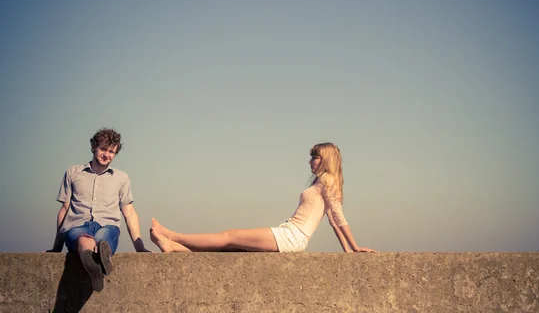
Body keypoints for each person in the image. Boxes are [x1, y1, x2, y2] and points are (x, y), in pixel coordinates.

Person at [150, 142, 377, 253]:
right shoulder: (321, 182)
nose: (310, 161)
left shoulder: (328, 181)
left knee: (229, 235)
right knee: (229, 247)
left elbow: (338, 216)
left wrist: (354, 247)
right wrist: (347, 250)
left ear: (325, 159)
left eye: (314, 157)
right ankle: (173, 246)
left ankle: (173, 235)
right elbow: (330, 218)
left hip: (292, 237)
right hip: (289, 233)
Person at [47, 128, 149, 291]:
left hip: (107, 226)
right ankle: (95, 266)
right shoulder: (73, 172)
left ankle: (98, 256)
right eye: (103, 149)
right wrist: (56, 247)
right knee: (82, 238)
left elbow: (128, 211)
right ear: (93, 146)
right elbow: (65, 209)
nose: (106, 155)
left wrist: (140, 247)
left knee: (102, 239)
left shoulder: (121, 178)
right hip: (76, 225)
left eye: (111, 152)